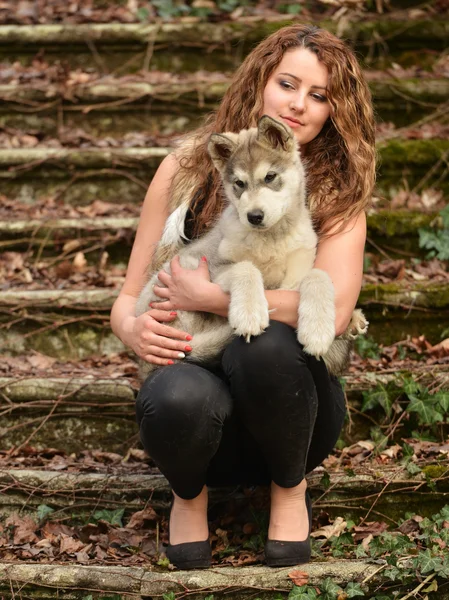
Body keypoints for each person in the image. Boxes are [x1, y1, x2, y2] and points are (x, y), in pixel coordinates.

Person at [110, 24, 376, 569]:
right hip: (201, 403)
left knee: (266, 347)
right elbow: (127, 297)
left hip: (292, 412)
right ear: (261, 82)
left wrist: (211, 296)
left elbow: (337, 313)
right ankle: (189, 497)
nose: (299, 104)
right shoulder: (184, 169)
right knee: (177, 394)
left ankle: (288, 491)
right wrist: (133, 328)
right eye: (287, 83)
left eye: (319, 95)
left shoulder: (340, 196)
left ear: (333, 110)